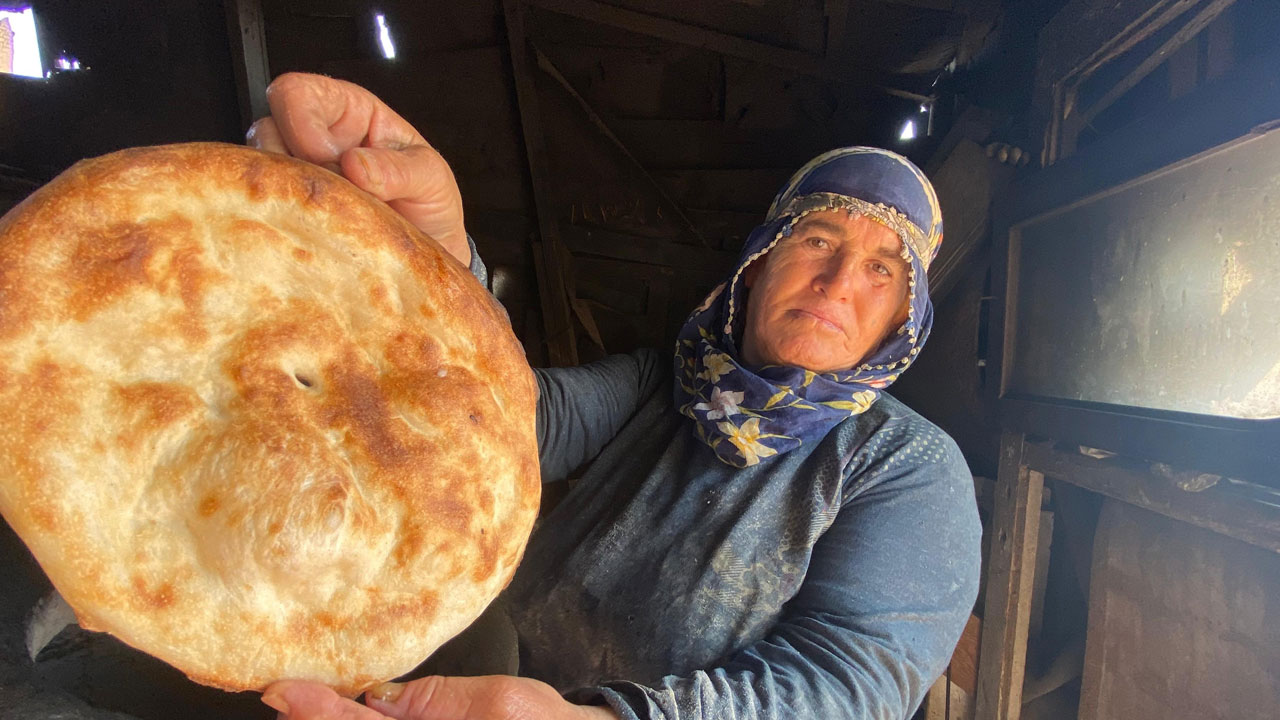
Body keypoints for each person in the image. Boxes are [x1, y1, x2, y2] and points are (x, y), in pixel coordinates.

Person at [249, 72, 981, 720]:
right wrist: (439, 255)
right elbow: (497, 422)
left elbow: (843, 688)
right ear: (758, 263)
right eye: (817, 240)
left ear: (900, 323)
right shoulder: (658, 384)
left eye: (883, 271)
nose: (840, 282)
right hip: (492, 680)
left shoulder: (905, 466)